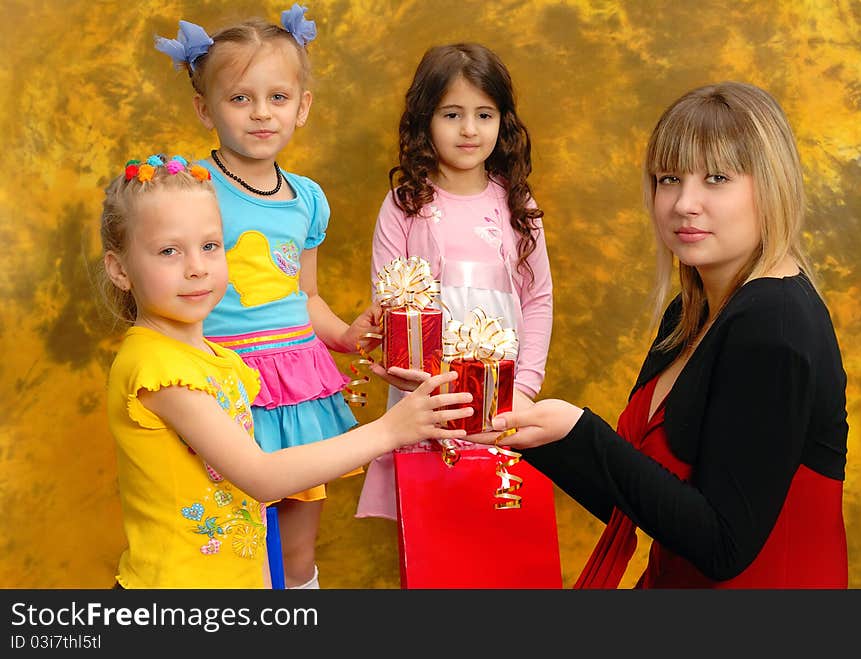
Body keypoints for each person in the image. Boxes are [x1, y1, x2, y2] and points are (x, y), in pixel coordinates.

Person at [472, 81, 849, 588]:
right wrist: (538, 435)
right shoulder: (690, 311)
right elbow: (648, 503)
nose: (684, 203)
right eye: (669, 178)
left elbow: (722, 544)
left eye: (717, 178)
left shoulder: (774, 327)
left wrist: (584, 431)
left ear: (771, 185)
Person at [99, 153, 472, 589]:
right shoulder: (157, 368)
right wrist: (389, 431)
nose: (197, 266)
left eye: (210, 246)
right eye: (168, 251)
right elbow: (263, 477)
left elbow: (250, 516)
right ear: (120, 269)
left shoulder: (217, 358)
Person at [155, 5, 383, 589]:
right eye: (239, 99)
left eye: (278, 97)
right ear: (206, 109)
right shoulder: (192, 191)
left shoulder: (307, 198)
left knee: (296, 543)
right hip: (226, 385)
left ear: (301, 107)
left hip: (299, 384)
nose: (261, 113)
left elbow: (303, 294)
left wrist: (343, 336)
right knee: (231, 541)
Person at [355, 43, 553, 520]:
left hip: (500, 393)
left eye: (484, 114)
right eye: (452, 114)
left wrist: (523, 385)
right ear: (425, 120)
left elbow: (538, 299)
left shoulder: (517, 207)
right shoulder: (405, 205)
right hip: (425, 394)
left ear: (502, 122)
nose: (469, 129)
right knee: (428, 526)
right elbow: (392, 302)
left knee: (488, 521)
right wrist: (425, 390)